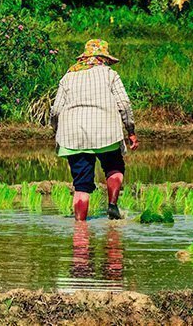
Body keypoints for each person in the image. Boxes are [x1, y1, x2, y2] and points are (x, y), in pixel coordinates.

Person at [50, 39, 138, 220]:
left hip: (73, 135)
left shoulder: (68, 76)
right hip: (106, 132)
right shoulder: (110, 75)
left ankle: (80, 228)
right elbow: (124, 104)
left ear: (85, 57)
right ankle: (112, 205)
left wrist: (56, 131)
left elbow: (56, 110)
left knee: (81, 184)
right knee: (114, 166)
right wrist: (131, 131)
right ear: (103, 58)